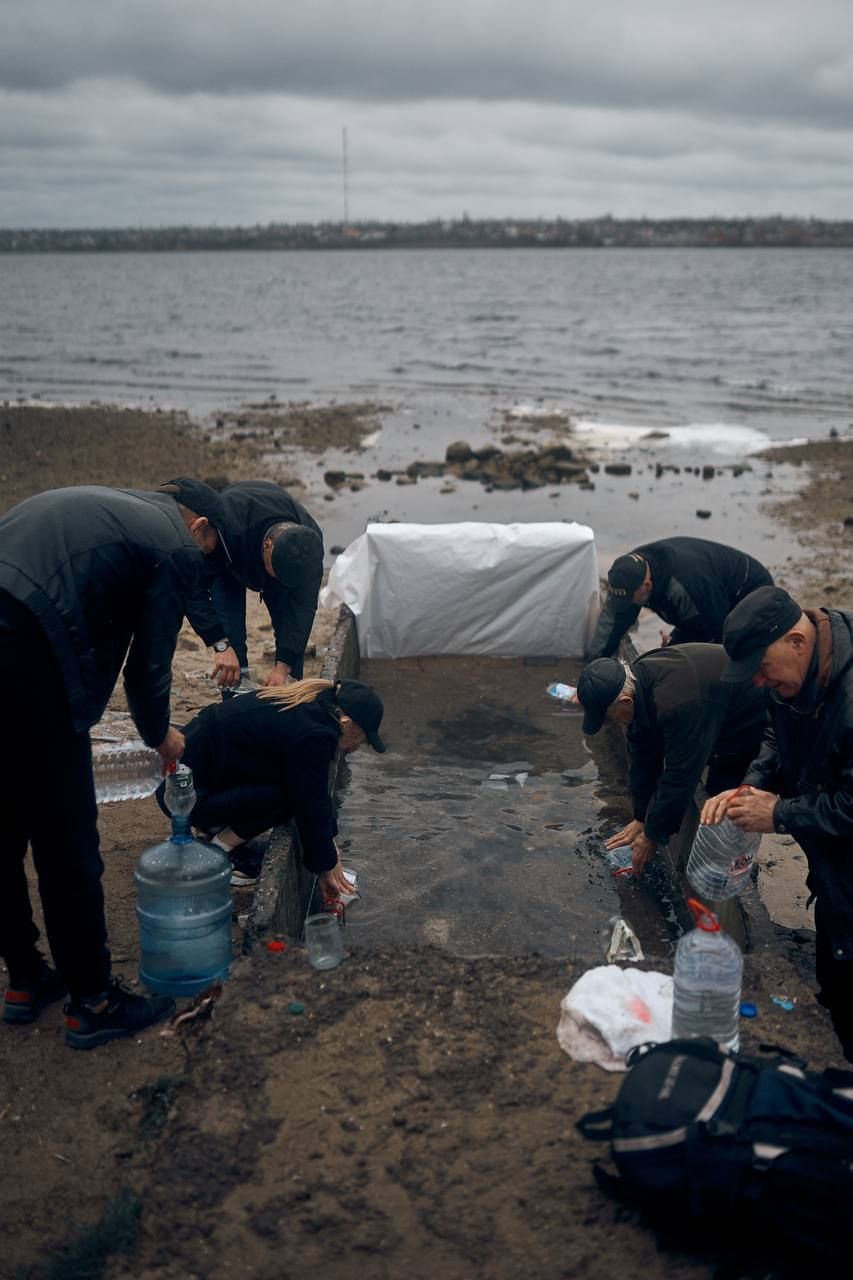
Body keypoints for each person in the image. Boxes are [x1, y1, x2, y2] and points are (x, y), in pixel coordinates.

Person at [0, 482, 221, 1049]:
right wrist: (161, 736)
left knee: (7, 819)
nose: (205, 560)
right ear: (199, 526)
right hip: (30, 641)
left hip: (12, 608)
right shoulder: (175, 545)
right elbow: (148, 667)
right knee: (65, 837)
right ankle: (94, 1002)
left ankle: (24, 978)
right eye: (211, 548)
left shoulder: (121, 509)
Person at [701, 585, 853, 1062]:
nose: (758, 681)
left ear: (797, 641)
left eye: (762, 668)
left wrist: (779, 814)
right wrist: (753, 785)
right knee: (835, 983)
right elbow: (775, 735)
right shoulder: (793, 681)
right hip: (835, 871)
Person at [155, 678, 386, 896]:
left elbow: (316, 787)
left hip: (180, 780)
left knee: (294, 784)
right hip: (183, 797)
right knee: (288, 797)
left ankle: (212, 829)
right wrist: (326, 865)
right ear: (347, 723)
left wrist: (330, 843)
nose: (357, 746)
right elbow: (309, 802)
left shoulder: (310, 707)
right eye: (361, 739)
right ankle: (220, 850)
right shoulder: (314, 734)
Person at [577, 644, 768, 875]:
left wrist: (653, 836)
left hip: (755, 718)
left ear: (625, 701)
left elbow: (681, 775)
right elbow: (641, 756)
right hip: (714, 709)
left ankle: (742, 870)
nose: (612, 723)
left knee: (727, 805)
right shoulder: (639, 682)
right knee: (714, 803)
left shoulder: (676, 704)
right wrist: (641, 817)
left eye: (608, 717)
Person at [159, 478, 324, 690]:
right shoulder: (222, 530)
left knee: (289, 633)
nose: (278, 580)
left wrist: (284, 666)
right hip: (229, 558)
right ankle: (235, 694)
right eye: (276, 573)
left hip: (271, 549)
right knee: (231, 634)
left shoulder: (309, 550)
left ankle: (289, 692)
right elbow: (194, 589)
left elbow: (302, 609)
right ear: (267, 546)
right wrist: (220, 643)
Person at [587, 536, 773, 660]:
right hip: (708, 595)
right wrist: (593, 666)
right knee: (671, 652)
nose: (627, 604)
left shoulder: (684, 587)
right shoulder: (627, 573)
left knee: (721, 657)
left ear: (647, 585)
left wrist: (674, 645)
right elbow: (612, 621)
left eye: (631, 599)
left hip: (750, 592)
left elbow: (712, 634)